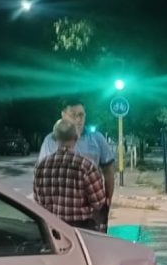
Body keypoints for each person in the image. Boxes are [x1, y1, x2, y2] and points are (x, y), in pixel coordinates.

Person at [38, 98, 116, 230]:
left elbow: (108, 171)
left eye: (81, 115)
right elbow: (41, 180)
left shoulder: (96, 139)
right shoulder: (49, 140)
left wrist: (107, 202)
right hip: (59, 215)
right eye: (73, 115)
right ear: (63, 115)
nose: (78, 119)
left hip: (88, 217)